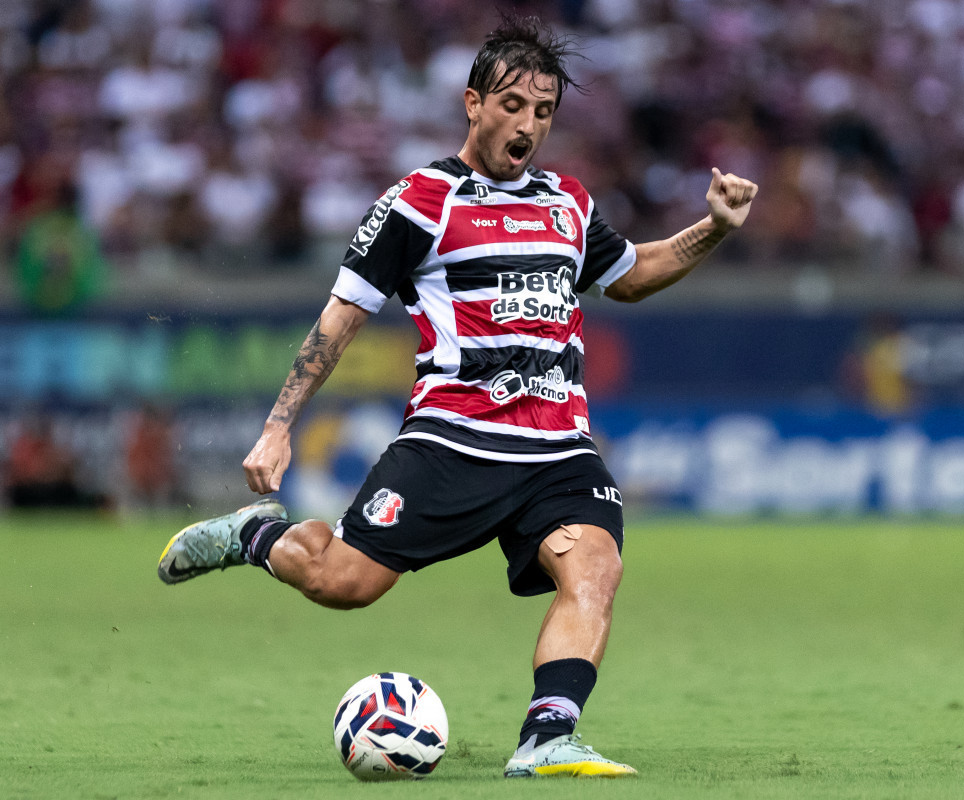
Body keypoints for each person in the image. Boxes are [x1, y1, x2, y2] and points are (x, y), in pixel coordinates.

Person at [157, 15, 757, 779]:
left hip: (556, 447)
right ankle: (254, 538)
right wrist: (278, 428)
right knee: (344, 585)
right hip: (453, 440)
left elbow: (631, 274)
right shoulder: (420, 200)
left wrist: (714, 227)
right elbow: (340, 317)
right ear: (473, 103)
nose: (528, 125)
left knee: (596, 565)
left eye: (543, 113)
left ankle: (549, 735)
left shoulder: (567, 203)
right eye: (512, 106)